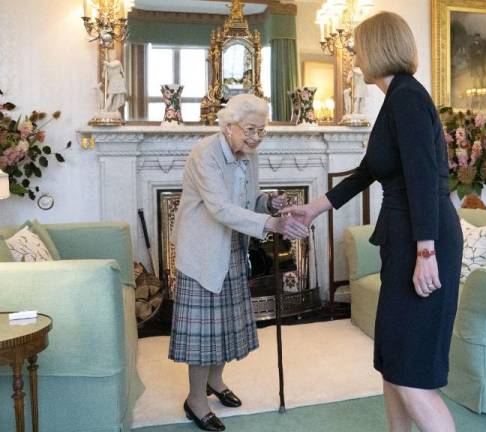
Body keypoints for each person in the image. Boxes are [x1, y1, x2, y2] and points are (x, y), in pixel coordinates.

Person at [281, 11, 462, 432]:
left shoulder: (408, 99)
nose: (353, 53)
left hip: (424, 240)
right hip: (405, 240)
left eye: (358, 45)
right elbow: (368, 171)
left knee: (412, 372)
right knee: (394, 361)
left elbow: (421, 180)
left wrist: (426, 251)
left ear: (379, 47)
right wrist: (313, 208)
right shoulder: (395, 98)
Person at [169, 94, 308, 431]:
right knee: (204, 334)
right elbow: (219, 208)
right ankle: (195, 400)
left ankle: (215, 382)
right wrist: (271, 224)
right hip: (202, 250)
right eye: (250, 129)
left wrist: (268, 203)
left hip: (231, 246)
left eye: (262, 131)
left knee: (225, 327)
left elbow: (245, 200)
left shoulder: (248, 155)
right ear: (228, 125)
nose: (256, 137)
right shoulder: (206, 154)